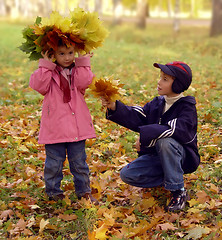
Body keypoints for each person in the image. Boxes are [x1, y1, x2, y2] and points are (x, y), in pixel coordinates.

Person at [102, 61, 200, 212]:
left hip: (182, 158)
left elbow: (174, 129)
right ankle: (169, 177)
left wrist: (145, 136)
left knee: (165, 142)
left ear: (178, 84)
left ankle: (178, 190)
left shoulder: (187, 107)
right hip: (158, 156)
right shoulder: (158, 102)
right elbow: (140, 115)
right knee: (127, 174)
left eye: (165, 79)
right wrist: (114, 106)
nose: (159, 82)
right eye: (160, 77)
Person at [29, 40, 98, 205]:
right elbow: (38, 85)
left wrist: (82, 63)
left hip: (76, 129)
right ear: (53, 54)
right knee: (53, 164)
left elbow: (85, 82)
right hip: (55, 128)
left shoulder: (77, 72)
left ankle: (84, 191)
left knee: (79, 163)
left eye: (70, 53)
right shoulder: (48, 74)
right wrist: (45, 65)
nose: (67, 58)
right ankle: (53, 192)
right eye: (61, 54)